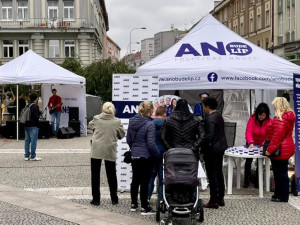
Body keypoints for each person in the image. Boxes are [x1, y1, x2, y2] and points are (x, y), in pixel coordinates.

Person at [88, 102, 125, 206]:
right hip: (110, 149)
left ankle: (96, 200)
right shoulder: (117, 121)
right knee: (111, 174)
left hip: (97, 149)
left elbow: (90, 126)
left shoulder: (97, 118)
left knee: (95, 175)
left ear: (102, 109)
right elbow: (122, 134)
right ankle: (114, 199)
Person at [126, 101, 160, 215]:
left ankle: (133, 204)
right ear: (150, 111)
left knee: (135, 180)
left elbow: (128, 140)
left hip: (135, 155)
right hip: (146, 156)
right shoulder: (150, 124)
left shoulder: (131, 121)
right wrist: (157, 154)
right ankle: (144, 207)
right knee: (144, 181)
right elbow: (151, 143)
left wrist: (134, 148)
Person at [265, 97, 295, 203]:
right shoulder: (288, 117)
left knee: (279, 173)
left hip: (280, 149)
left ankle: (282, 196)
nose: (273, 106)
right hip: (286, 146)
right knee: (281, 172)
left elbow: (277, 137)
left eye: (274, 104)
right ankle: (279, 194)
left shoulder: (280, 119)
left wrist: (269, 150)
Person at [201, 97, 227, 209]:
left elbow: (209, 136)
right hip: (220, 147)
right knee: (219, 173)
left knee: (212, 175)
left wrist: (201, 142)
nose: (203, 108)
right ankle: (220, 198)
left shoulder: (210, 118)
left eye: (203, 106)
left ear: (207, 106)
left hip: (212, 149)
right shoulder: (218, 115)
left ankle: (213, 200)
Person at [244, 103, 272, 188]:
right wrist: (251, 142)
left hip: (263, 144)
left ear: (266, 115)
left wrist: (264, 144)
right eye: (259, 115)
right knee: (248, 161)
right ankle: (246, 180)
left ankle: (258, 182)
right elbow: (248, 132)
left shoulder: (270, 121)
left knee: (260, 162)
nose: (261, 117)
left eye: (263, 115)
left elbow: (269, 134)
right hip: (251, 143)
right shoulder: (252, 119)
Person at [148, 106, 166, 202]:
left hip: (152, 153)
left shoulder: (150, 124)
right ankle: (161, 199)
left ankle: (147, 198)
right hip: (164, 153)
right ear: (164, 114)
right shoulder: (167, 124)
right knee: (162, 178)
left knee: (151, 177)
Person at [24, 93, 41, 161]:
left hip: (26, 125)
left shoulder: (27, 105)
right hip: (33, 126)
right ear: (36, 99)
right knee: (33, 141)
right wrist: (38, 125)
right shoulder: (35, 106)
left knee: (27, 141)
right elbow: (36, 117)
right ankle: (33, 156)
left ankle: (26, 155)